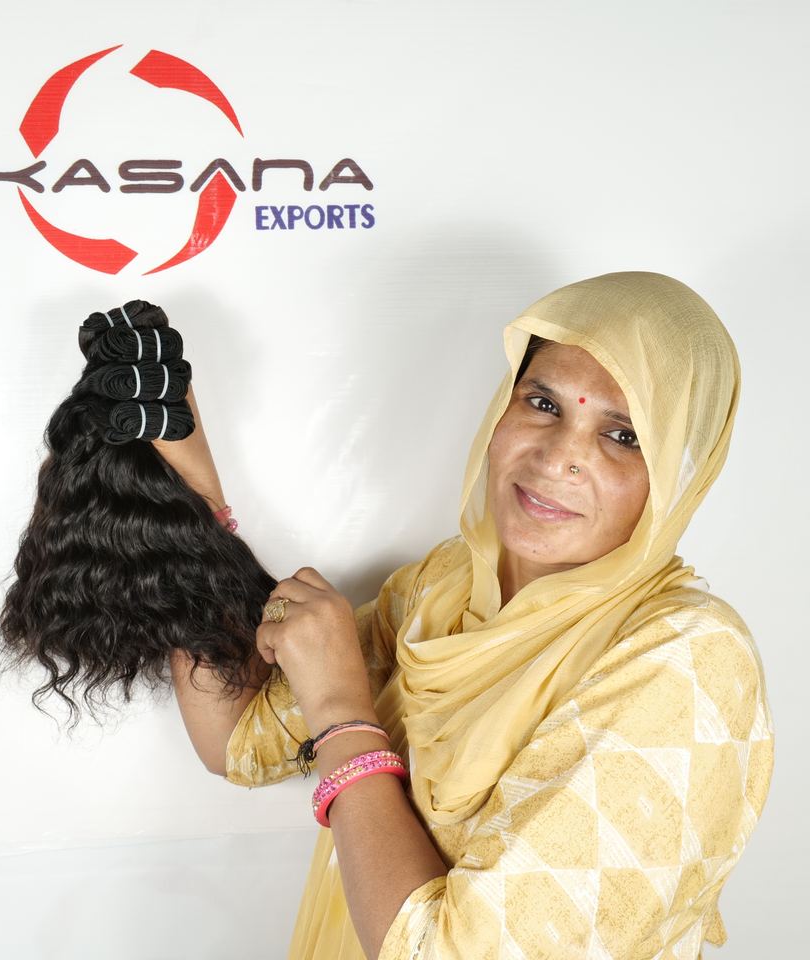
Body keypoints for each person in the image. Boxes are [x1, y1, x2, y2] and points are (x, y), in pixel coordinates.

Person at [166, 271, 774, 959]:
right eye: (542, 403)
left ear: (679, 474)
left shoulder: (686, 660)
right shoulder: (444, 589)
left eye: (624, 436)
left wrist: (339, 710)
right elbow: (237, 738)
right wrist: (183, 486)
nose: (559, 457)